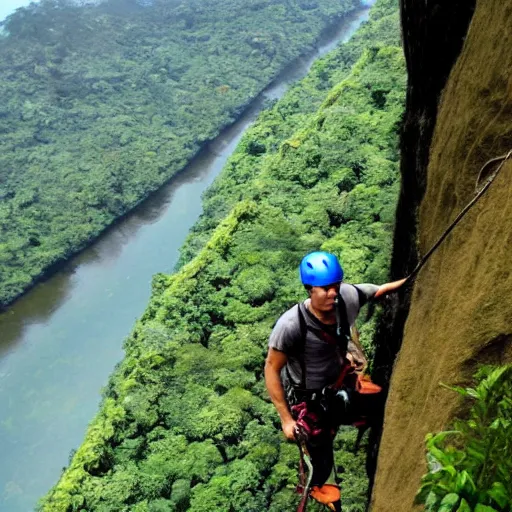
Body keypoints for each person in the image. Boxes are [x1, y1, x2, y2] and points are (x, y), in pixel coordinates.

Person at [264, 251, 406, 510]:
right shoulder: (291, 325)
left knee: (382, 406)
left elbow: (375, 291)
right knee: (323, 468)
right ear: (309, 290)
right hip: (309, 399)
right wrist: (286, 419)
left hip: (341, 384)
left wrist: (409, 281)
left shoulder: (348, 296)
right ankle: (329, 496)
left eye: (336, 286)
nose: (333, 293)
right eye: (325, 288)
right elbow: (271, 370)